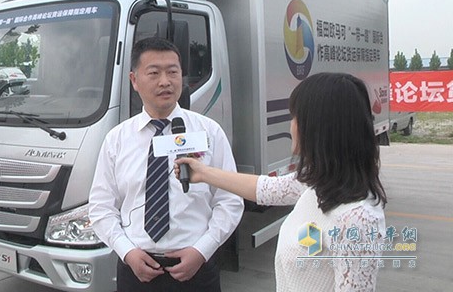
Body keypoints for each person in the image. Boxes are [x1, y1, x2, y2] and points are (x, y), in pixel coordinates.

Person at [175, 72, 387, 292]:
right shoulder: (318, 184)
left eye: (295, 117)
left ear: (319, 127)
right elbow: (265, 189)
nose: (291, 126)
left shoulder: (358, 219)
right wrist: (204, 173)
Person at [89, 37, 244, 291]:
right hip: (136, 270)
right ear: (134, 80)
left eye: (173, 72)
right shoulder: (116, 139)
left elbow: (230, 200)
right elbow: (101, 207)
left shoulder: (209, 132)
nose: (165, 81)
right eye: (154, 73)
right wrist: (127, 252)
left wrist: (202, 250)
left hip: (197, 269)